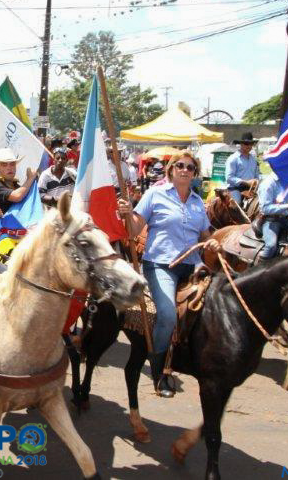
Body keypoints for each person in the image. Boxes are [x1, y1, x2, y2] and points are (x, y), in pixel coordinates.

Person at [124, 151, 221, 398]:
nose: (185, 170)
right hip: (160, 264)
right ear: (170, 170)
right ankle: (159, 372)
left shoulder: (199, 202)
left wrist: (211, 243)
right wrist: (127, 213)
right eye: (180, 165)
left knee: (220, 305)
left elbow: (204, 234)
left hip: (192, 265)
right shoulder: (154, 194)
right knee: (167, 316)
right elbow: (135, 229)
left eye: (190, 167)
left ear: (195, 174)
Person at [0, 148, 37, 214]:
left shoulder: (18, 186)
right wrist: (30, 178)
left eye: (12, 164)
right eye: (4, 164)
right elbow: (17, 196)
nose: (9, 168)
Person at [225, 132, 260, 205]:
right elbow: (229, 178)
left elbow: (257, 176)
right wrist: (246, 182)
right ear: (241, 144)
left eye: (251, 144)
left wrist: (256, 181)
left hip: (251, 189)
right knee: (236, 205)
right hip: (235, 189)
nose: (249, 146)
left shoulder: (254, 160)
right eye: (246, 144)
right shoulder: (233, 158)